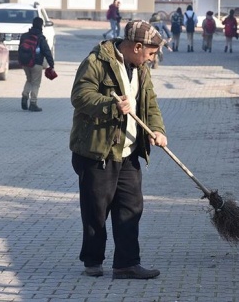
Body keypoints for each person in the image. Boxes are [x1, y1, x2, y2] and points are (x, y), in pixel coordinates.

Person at [70, 20, 168, 280]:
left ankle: (126, 264)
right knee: (96, 211)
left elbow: (151, 102)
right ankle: (93, 261)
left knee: (131, 208)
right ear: (137, 47)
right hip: (97, 151)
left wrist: (158, 130)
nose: (150, 59)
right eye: (150, 54)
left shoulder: (141, 70)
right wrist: (111, 105)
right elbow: (80, 96)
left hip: (129, 151)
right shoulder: (97, 61)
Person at [20, 17, 55, 112]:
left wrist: (21, 61)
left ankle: (24, 96)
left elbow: (20, 49)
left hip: (25, 63)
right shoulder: (41, 38)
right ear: (41, 25)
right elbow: (47, 52)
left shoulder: (24, 36)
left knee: (29, 80)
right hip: (37, 64)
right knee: (36, 83)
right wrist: (51, 65)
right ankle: (33, 103)